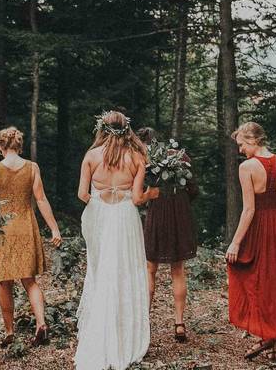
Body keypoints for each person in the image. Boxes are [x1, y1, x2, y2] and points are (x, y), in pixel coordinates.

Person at [74, 110, 157, 370]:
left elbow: (81, 195)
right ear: (126, 129)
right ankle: (124, 337)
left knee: (100, 272)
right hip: (124, 217)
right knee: (125, 272)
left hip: (97, 215)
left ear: (102, 128)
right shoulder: (137, 156)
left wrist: (99, 202)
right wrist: (152, 193)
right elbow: (136, 198)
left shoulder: (91, 156)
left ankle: (99, 330)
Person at [225, 122, 276, 360]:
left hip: (259, 226)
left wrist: (235, 243)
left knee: (255, 278)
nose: (240, 150)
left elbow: (249, 210)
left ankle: (266, 336)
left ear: (252, 140)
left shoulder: (248, 167)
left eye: (241, 144)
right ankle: (270, 342)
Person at [0, 126, 62, 347]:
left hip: (3, 231)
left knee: (4, 283)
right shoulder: (32, 167)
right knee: (30, 281)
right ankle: (41, 324)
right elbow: (41, 199)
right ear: (19, 145)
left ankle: (9, 331)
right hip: (26, 227)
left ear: (0, 146)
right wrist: (54, 228)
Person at [135, 127, 198, 342]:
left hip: (158, 214)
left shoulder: (145, 161)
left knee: (150, 269)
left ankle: (144, 320)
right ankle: (179, 323)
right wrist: (179, 201)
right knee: (178, 269)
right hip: (180, 213)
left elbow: (139, 191)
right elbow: (194, 189)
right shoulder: (181, 156)